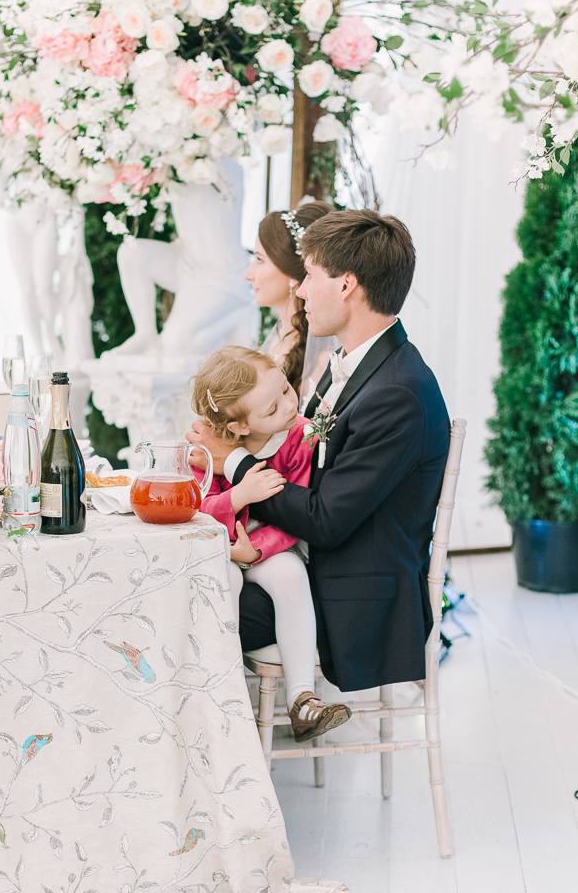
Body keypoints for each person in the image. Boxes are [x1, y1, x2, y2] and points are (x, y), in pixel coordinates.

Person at [188, 208, 450, 714]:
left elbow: (326, 521)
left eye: (309, 276)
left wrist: (234, 462)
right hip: (311, 571)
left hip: (350, 602)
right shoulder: (349, 366)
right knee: (179, 571)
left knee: (177, 590)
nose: (301, 290)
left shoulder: (399, 393)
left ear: (347, 285)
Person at [190, 347, 351, 741]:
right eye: (271, 406)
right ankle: (217, 691)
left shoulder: (300, 437)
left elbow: (298, 515)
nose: (288, 404)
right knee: (224, 579)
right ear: (239, 427)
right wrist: (237, 499)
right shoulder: (206, 446)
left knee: (292, 576)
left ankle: (302, 699)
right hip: (224, 545)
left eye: (284, 388)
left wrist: (257, 550)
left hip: (271, 546)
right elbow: (198, 506)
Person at [247, 201, 337, 400]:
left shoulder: (323, 360)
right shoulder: (277, 341)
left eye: (259, 260)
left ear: (292, 273)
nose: (248, 274)